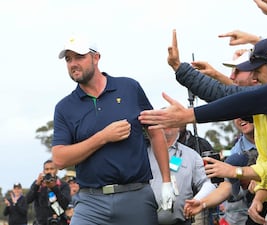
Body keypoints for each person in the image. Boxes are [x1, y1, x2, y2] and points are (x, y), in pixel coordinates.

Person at [164, 30, 267, 225]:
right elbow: (229, 95)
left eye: (240, 69)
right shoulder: (264, 108)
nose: (232, 76)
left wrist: (236, 171)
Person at [52, 34, 175, 225]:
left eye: (79, 57)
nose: (73, 63)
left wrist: (166, 180)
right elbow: (59, 158)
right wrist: (103, 137)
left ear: (96, 57)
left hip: (136, 197)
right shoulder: (64, 107)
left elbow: (155, 132)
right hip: (90, 203)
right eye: (68, 59)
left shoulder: (129, 87)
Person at [148, 126, 215, 225]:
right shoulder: (142, 153)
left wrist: (197, 200)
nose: (166, 124)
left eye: (171, 121)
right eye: (162, 120)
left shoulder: (192, 155)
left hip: (182, 221)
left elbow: (209, 184)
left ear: (178, 127)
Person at [26, 160, 71, 225]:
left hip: (59, 222)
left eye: (51, 169)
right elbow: (28, 200)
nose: (49, 171)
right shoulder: (39, 184)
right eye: (47, 169)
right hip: (41, 222)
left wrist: (54, 188)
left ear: (56, 170)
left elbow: (65, 204)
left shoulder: (63, 185)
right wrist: (36, 185)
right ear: (43, 171)